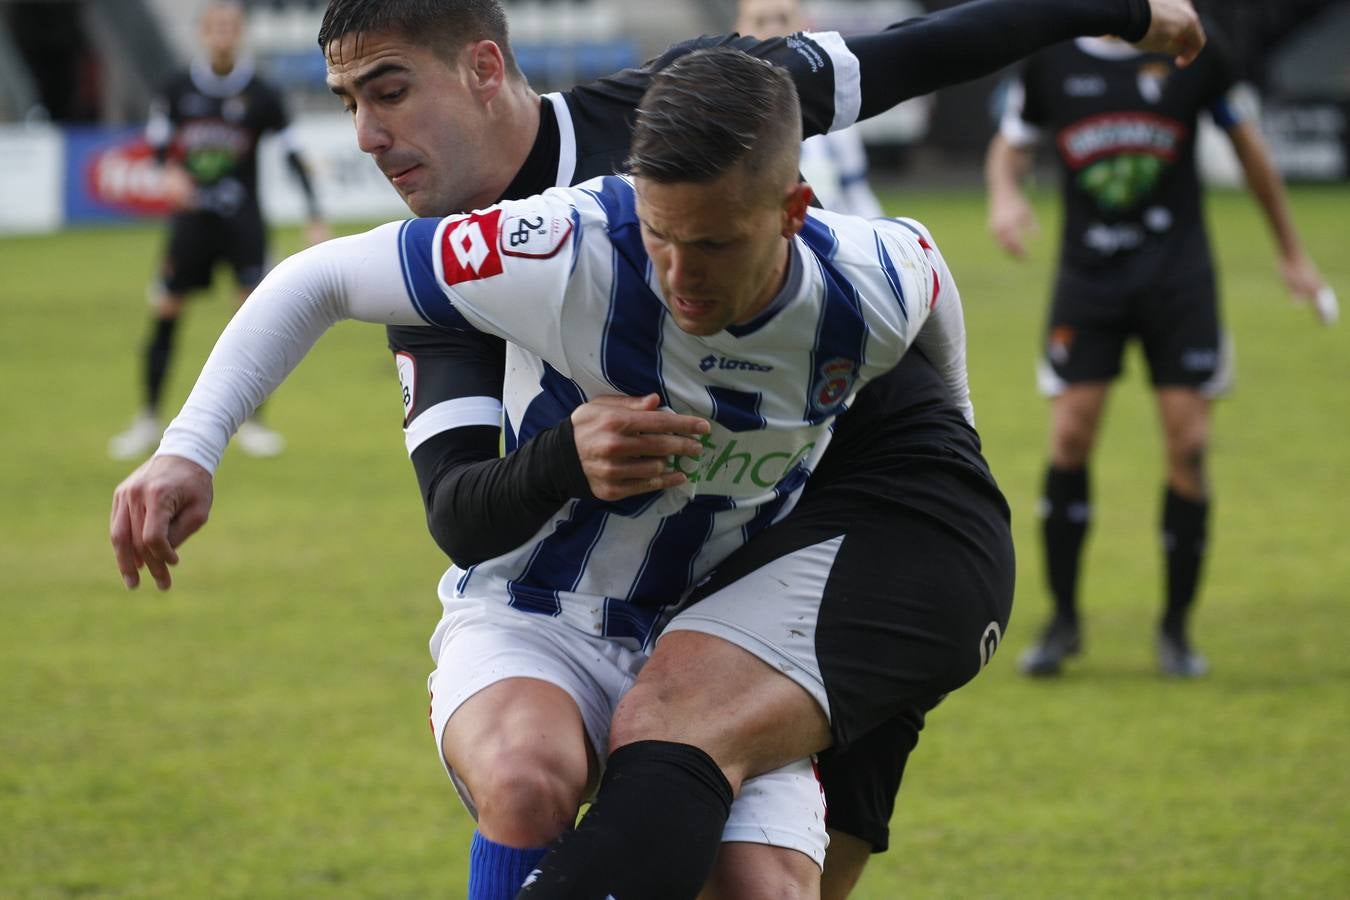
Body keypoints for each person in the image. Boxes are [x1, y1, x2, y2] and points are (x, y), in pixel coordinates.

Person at [114, 1, 1208, 896]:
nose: (364, 135)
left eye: (388, 91)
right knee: (532, 780)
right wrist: (189, 449)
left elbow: (912, 62)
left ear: (484, 66)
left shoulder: (692, 116)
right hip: (542, 608)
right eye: (348, 103)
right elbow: (457, 512)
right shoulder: (465, 265)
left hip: (721, 610)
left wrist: (1113, 12)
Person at [985, 28, 1330, 678]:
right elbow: (1011, 146)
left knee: (1189, 447)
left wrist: (1291, 251)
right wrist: (1005, 196)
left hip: (1179, 281)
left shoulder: (1196, 50)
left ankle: (1176, 629)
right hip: (1088, 285)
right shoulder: (1052, 58)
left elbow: (1250, 150)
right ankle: (1062, 622)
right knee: (1068, 439)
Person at [108, 0, 328, 461]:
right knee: (166, 309)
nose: (224, 35)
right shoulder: (175, 89)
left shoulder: (262, 93)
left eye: (231, 26)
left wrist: (314, 214)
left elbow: (292, 154)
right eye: (216, 27)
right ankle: (148, 417)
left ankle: (252, 423)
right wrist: (168, 174)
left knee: (254, 319)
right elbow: (158, 147)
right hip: (191, 225)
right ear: (203, 33)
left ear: (240, 32)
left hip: (243, 222)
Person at [736, 0, 886, 218]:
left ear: (806, 26)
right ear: (738, 31)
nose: (773, 30)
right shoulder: (727, 117)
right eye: (760, 21)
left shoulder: (835, 122)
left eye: (783, 19)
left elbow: (858, 198)